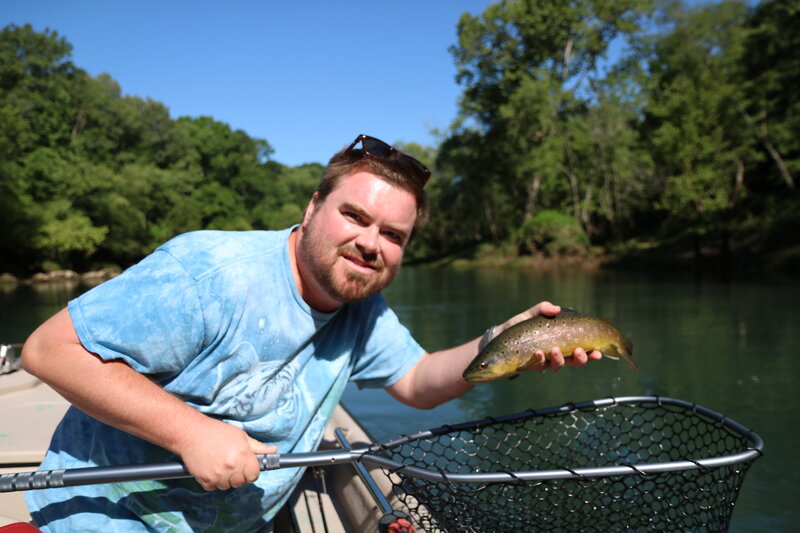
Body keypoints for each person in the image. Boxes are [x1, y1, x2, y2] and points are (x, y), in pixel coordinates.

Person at [21, 134, 602, 532]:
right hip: (107, 519)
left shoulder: (361, 308)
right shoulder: (210, 273)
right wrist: (190, 431)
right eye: (355, 216)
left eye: (393, 235)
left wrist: (501, 341)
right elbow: (48, 351)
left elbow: (419, 382)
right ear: (313, 205)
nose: (372, 243)